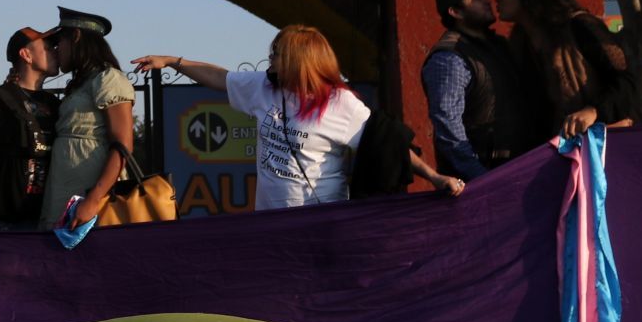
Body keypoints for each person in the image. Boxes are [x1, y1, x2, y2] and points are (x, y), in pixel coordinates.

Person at [136, 26, 462, 209]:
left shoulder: (339, 103)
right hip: (270, 222)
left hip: (320, 221)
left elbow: (389, 144)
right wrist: (172, 60)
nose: (270, 58)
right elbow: (220, 78)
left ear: (297, 60)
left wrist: (435, 178)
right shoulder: (264, 86)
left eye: (277, 53)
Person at [499, 0, 635, 138]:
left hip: (601, 144)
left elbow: (626, 82)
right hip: (557, 150)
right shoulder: (521, 43)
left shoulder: (580, 26)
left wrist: (594, 111)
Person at [421, 0, 536, 179]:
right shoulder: (449, 58)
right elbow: (448, 128)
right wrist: (481, 178)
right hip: (483, 184)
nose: (487, 1)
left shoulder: (498, 46)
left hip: (517, 171)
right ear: (455, 12)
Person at [38, 7, 138, 231]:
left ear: (75, 37)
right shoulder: (81, 84)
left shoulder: (108, 78)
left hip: (91, 201)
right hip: (63, 193)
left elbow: (123, 145)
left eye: (59, 42)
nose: (56, 49)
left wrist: (93, 200)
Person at [0, 26, 62, 241]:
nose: (55, 51)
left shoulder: (54, 104)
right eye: (47, 47)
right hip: (2, 223)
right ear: (26, 55)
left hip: (45, 220)